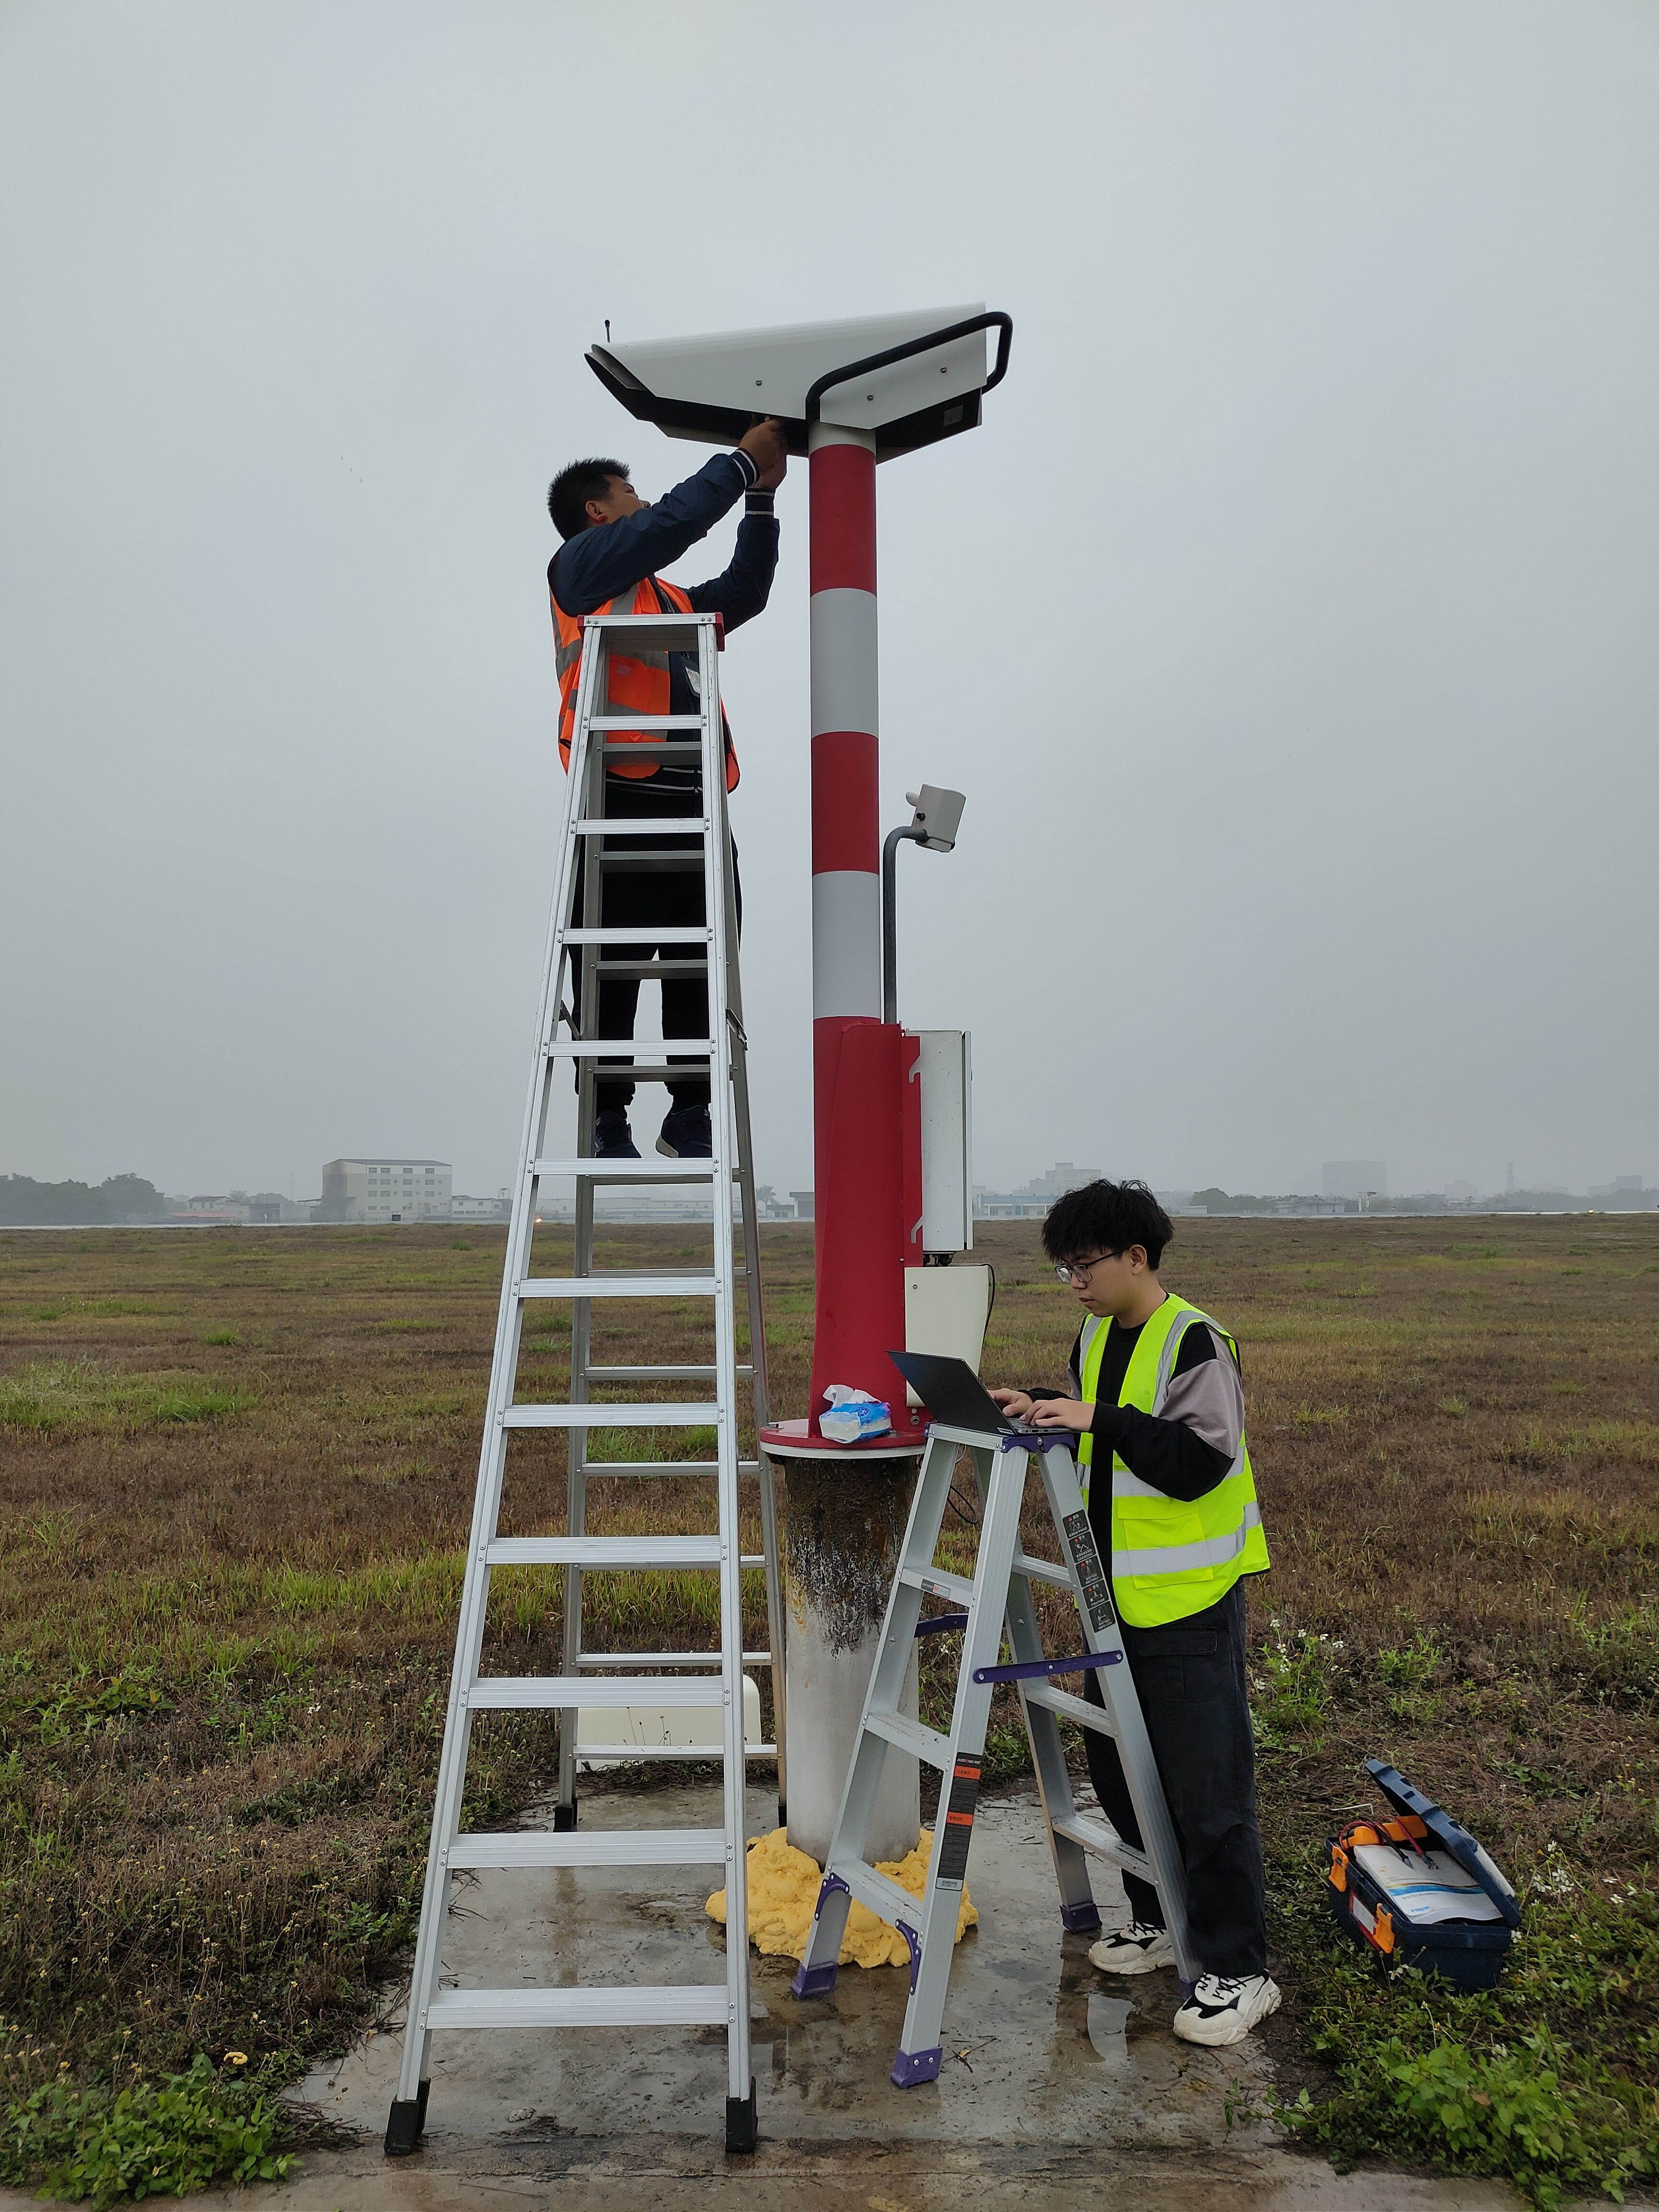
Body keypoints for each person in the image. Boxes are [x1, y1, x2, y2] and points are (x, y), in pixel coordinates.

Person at [990, 1178, 1277, 2048]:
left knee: (1207, 1788)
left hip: (1187, 1603)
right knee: (1120, 1772)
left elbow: (1197, 1464)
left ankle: (1241, 1967)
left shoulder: (1195, 1340)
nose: (1074, 1282)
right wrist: (1044, 1405)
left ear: (1136, 1258)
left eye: (1085, 1265)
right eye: (1064, 1269)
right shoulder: (1094, 1334)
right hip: (1110, 1597)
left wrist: (1098, 1418)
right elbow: (1106, 1428)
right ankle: (1159, 1918)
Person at [546, 419, 787, 1159]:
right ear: (599, 511)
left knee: (700, 961)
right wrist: (743, 462)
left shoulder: (670, 599)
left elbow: (743, 593)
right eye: (630, 494)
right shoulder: (580, 570)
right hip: (618, 798)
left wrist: (762, 503)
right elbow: (671, 525)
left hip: (695, 803)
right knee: (607, 969)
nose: (643, 503)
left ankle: (689, 1111)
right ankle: (606, 1115)